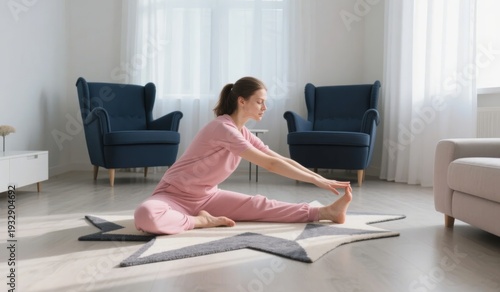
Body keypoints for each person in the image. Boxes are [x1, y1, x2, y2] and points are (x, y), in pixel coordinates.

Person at [134, 76, 353, 235]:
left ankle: (326, 212)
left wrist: (320, 178)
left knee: (260, 205)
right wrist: (316, 179)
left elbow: (279, 158)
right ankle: (199, 221)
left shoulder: (243, 132)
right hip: (173, 195)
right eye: (259, 101)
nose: (265, 107)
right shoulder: (222, 128)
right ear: (241, 101)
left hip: (208, 197)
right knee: (146, 215)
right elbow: (271, 164)